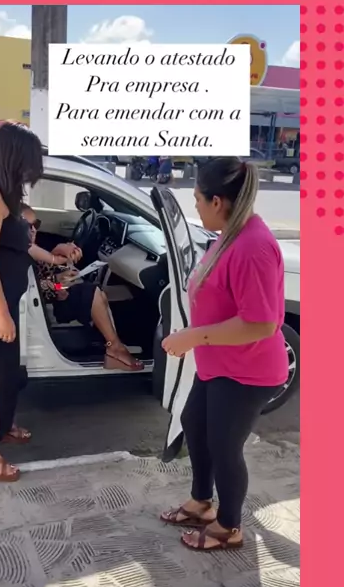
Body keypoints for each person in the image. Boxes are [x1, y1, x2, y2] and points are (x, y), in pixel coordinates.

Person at [160, 157, 289, 552]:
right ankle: (202, 502)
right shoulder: (230, 233)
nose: (196, 207)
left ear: (217, 201)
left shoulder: (253, 247)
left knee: (224, 447)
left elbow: (261, 324)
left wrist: (193, 336)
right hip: (219, 364)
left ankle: (229, 527)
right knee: (194, 423)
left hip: (247, 371)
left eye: (198, 200)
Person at [0, 121, 70, 483]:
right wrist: (2, 314)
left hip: (3, 295)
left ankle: (1, 425)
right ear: (13, 157)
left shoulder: (3, 193)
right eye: (29, 163)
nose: (30, 172)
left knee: (6, 367)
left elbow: (18, 244)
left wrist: (53, 256)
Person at [21, 204, 144, 372]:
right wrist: (58, 281)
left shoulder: (30, 247)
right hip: (47, 303)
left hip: (50, 295)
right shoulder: (22, 249)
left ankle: (113, 344)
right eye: (27, 226)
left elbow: (43, 276)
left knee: (100, 293)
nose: (33, 230)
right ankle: (114, 348)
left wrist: (60, 276)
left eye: (36, 224)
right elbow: (38, 286)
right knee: (92, 293)